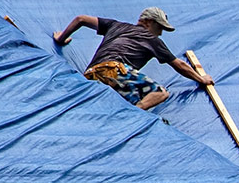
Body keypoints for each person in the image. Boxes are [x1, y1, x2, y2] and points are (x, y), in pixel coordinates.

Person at [53, 7, 213, 110]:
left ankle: (130, 111)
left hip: (91, 75)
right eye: (160, 27)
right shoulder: (152, 39)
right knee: (160, 93)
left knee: (129, 98)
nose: (161, 33)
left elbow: (81, 19)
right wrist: (201, 79)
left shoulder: (116, 26)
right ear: (149, 22)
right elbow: (178, 64)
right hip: (114, 70)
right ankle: (135, 117)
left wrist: (61, 38)